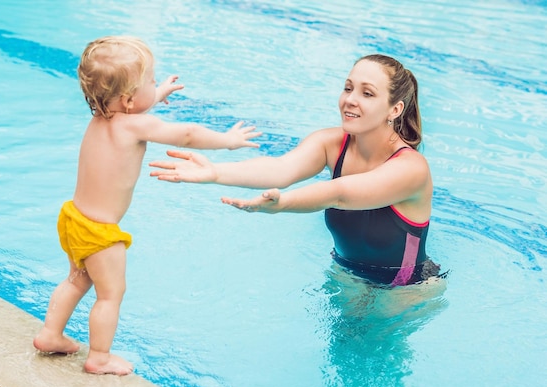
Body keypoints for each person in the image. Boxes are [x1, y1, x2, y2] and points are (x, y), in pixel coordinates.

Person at [33, 35, 261, 376]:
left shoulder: (103, 118)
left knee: (76, 280)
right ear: (128, 99)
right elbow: (185, 134)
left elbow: (135, 105)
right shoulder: (136, 125)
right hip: (100, 235)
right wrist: (228, 141)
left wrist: (158, 93)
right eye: (151, 81)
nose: (155, 86)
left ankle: (50, 333)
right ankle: (99, 357)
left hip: (74, 219)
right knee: (110, 294)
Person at [150, 54, 445, 287]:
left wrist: (283, 204)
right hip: (347, 275)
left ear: (395, 110)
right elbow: (280, 169)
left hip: (403, 288)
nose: (350, 99)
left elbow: (340, 194)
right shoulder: (332, 143)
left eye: (367, 94)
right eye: (348, 88)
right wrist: (215, 173)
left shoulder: (410, 168)